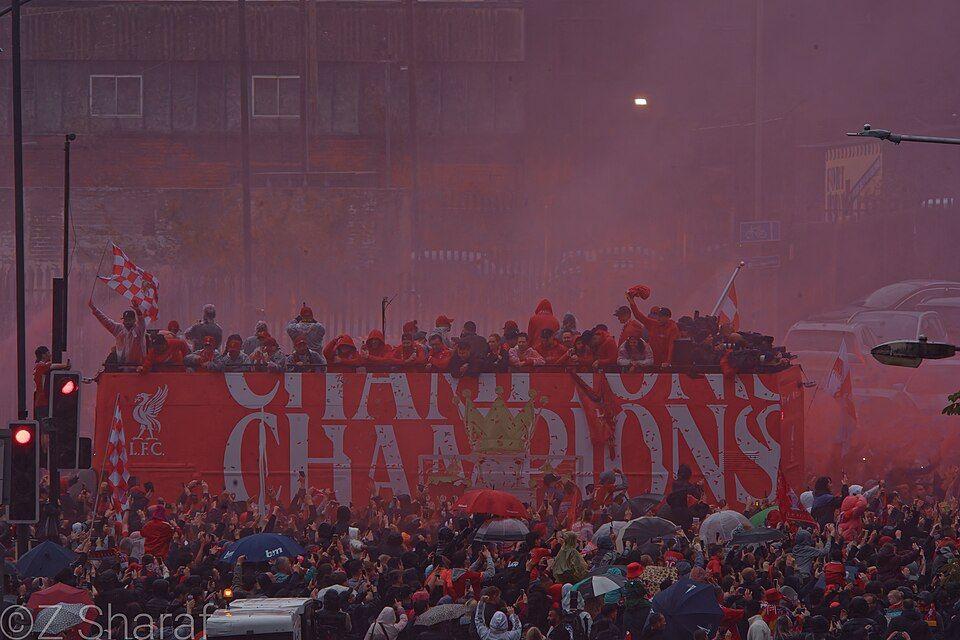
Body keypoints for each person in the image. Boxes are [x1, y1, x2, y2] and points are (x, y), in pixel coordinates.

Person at [626, 290, 679, 367]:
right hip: (651, 361)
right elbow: (638, 316)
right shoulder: (653, 324)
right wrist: (632, 302)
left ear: (668, 317)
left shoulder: (673, 328)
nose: (659, 318)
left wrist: (668, 362)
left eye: (662, 316)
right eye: (659, 316)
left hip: (664, 364)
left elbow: (672, 346)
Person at [90, 298, 148, 365]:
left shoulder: (139, 330)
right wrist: (94, 309)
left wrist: (138, 311)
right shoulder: (118, 329)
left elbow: (141, 321)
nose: (127, 322)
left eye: (130, 319)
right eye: (126, 319)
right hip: (122, 367)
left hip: (138, 367)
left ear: (134, 320)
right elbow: (105, 321)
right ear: (123, 320)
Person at [33, 346, 71, 417]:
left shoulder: (38, 368)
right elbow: (52, 366)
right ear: (43, 355)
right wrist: (65, 366)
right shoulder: (40, 366)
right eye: (48, 353)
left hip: (41, 402)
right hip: (43, 402)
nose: (50, 355)